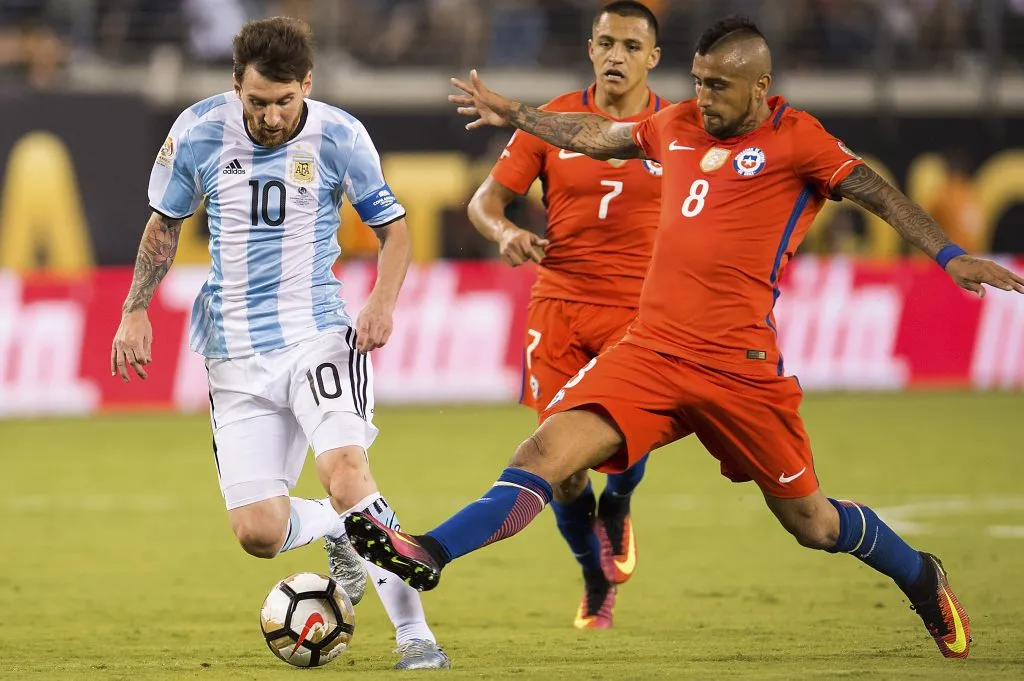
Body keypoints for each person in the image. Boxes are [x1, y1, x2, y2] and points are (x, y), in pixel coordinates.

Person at [346, 15, 1024, 659]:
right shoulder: (674, 123)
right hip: (651, 351)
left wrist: (945, 254)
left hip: (739, 367)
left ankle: (918, 573)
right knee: (545, 451)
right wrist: (519, 115)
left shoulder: (800, 140)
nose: (703, 97)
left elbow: (877, 192)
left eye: (719, 86)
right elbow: (595, 136)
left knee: (813, 523)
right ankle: (429, 550)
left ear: (761, 87)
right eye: (698, 81)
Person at [109, 17, 450, 670]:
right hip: (233, 352)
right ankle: (339, 529)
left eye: (283, 101)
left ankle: (415, 637)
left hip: (318, 335)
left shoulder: (340, 135)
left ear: (307, 86)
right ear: (235, 85)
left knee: (349, 472)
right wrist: (135, 309)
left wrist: (381, 301)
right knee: (258, 532)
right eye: (256, 101)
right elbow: (164, 224)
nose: (269, 116)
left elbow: (396, 230)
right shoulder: (200, 131)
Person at [467, 0, 667, 629]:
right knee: (563, 471)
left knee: (625, 432)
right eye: (606, 42)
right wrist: (502, 232)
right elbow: (485, 201)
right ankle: (592, 575)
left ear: (653, 58)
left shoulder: (678, 129)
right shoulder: (553, 120)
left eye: (632, 46)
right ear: (589, 48)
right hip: (559, 306)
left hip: (640, 314)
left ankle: (623, 502)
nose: (617, 55)